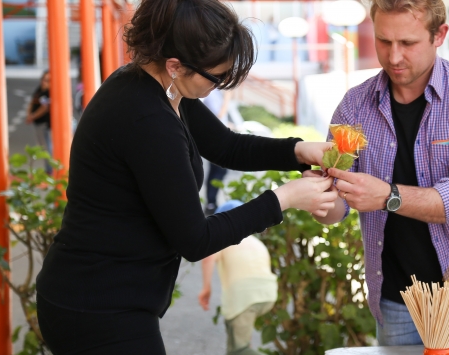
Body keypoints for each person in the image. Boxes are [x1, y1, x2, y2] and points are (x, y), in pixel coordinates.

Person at [34, 0, 338, 353]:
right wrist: (286, 198)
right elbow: (195, 239)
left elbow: (226, 146)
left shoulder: (158, 87)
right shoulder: (147, 120)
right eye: (216, 77)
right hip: (97, 306)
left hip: (100, 296)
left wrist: (299, 151)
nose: (220, 85)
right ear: (176, 65)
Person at [311, 0, 449, 345]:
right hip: (400, 293)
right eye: (384, 41)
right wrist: (323, 203)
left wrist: (387, 196)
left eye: (408, 43)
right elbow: (339, 204)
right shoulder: (353, 106)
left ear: (439, 35)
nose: (394, 57)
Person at [198, 200, 277, 355]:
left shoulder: (225, 239)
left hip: (244, 296)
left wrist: (206, 288)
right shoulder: (256, 243)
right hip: (268, 295)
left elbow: (208, 258)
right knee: (236, 343)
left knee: (239, 350)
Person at [200, 89, 236, 215]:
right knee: (217, 172)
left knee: (218, 172)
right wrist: (227, 98)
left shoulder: (216, 92)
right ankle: (211, 203)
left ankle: (211, 203)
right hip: (215, 138)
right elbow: (217, 116)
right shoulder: (211, 92)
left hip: (220, 136)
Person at [25, 70, 52, 174]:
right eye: (43, 79)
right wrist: (29, 114)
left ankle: (49, 168)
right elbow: (32, 102)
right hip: (37, 122)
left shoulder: (48, 92)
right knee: (43, 145)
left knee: (46, 146)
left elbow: (45, 108)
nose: (44, 82)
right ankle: (48, 167)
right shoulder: (39, 90)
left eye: (47, 80)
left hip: (44, 123)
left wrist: (32, 116)